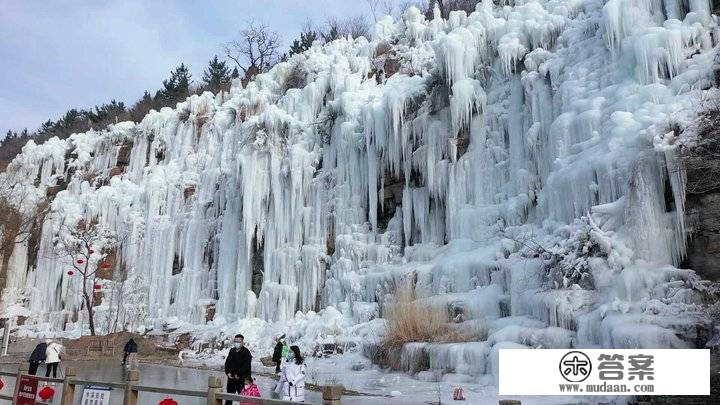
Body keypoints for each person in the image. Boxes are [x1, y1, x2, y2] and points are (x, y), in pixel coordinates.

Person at [224, 334, 252, 405]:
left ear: (242, 342)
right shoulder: (232, 351)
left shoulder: (246, 352)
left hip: (242, 380)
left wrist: (239, 374)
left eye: (239, 342)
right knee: (229, 399)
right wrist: (228, 373)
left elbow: (246, 366)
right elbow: (227, 363)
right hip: (231, 379)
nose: (237, 343)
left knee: (243, 400)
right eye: (235, 341)